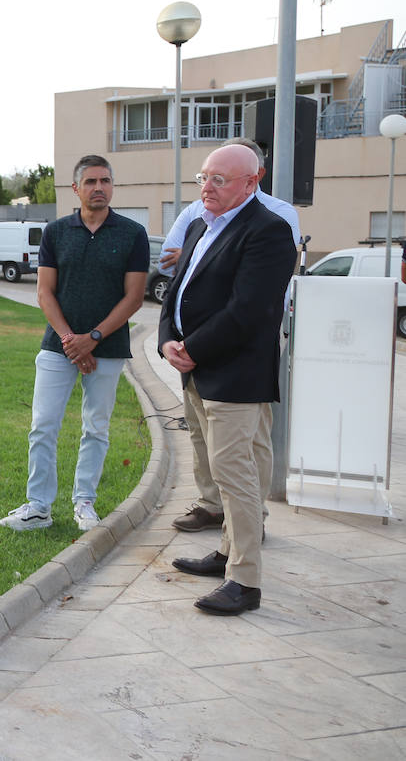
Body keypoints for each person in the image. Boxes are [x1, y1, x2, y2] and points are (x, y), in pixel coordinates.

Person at [159, 143, 296, 616]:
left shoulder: (269, 231)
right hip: (196, 371)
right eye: (203, 177)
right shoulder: (200, 223)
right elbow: (174, 290)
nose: (207, 188)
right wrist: (166, 341)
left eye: (220, 179)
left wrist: (191, 349)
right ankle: (226, 555)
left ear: (252, 182)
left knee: (235, 475)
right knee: (224, 471)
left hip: (235, 374)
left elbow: (250, 311)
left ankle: (245, 582)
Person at [0, 154, 147, 534]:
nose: (99, 188)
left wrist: (93, 339)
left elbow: (133, 298)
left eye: (106, 181)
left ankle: (84, 503)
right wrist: (71, 341)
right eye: (92, 181)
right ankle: (38, 506)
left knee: (95, 428)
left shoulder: (132, 233)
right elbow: (45, 293)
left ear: (112, 186)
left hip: (108, 348)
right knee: (42, 425)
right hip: (57, 347)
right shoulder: (56, 232)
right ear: (76, 188)